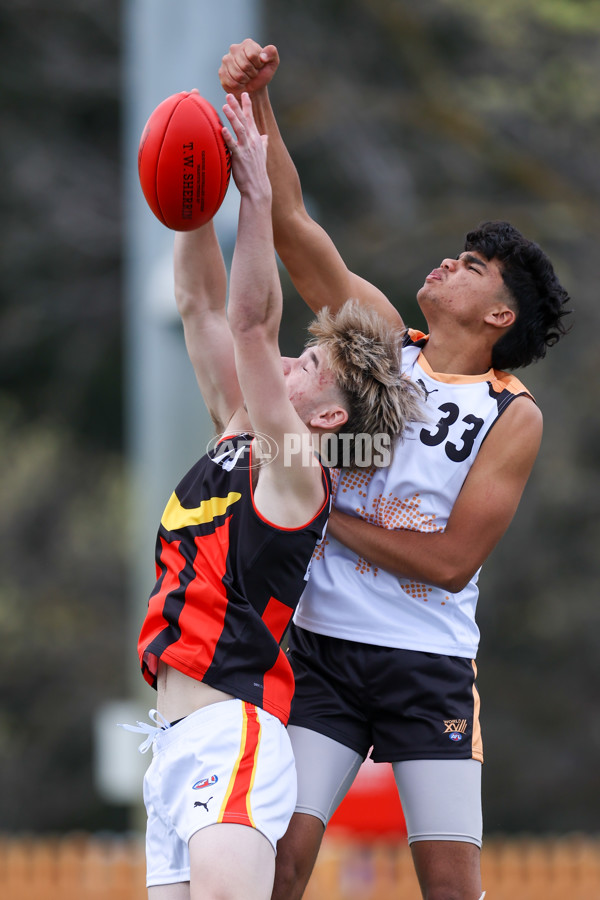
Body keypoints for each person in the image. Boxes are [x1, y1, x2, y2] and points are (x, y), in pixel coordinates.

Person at [219, 40, 572, 900]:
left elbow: (453, 563)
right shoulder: (378, 341)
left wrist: (313, 504)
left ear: (498, 314)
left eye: (473, 268)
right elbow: (296, 227)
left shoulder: (511, 414)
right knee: (282, 861)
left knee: (451, 887)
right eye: (457, 252)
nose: (449, 262)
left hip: (427, 664)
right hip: (324, 651)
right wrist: (258, 107)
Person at [125, 92, 422, 900]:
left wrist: (254, 197)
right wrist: (194, 206)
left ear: (329, 416)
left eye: (309, 368)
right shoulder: (237, 431)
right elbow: (200, 306)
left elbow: (252, 324)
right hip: (175, 741)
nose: (287, 363)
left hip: (234, 735)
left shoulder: (296, 467)